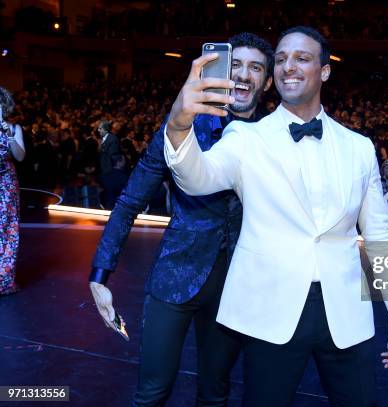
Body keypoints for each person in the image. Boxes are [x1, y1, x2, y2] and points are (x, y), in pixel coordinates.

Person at [164, 26, 388, 406]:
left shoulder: (359, 148)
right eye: (280, 60)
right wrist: (180, 122)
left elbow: (378, 234)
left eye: (301, 58)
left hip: (344, 313)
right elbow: (197, 179)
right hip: (270, 312)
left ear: (325, 71)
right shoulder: (247, 139)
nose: (287, 67)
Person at [89, 33, 274, 406]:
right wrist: (99, 274)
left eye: (255, 68)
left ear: (267, 82)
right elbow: (129, 201)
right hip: (174, 278)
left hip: (236, 287)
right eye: (234, 64)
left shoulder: (275, 137)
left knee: (215, 394)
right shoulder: (180, 127)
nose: (242, 75)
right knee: (152, 393)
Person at [0, 87, 26, 295]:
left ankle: (4, 280)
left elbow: (20, 156)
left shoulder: (14, 128)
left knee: (8, 229)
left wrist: (8, 135)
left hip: (6, 184)